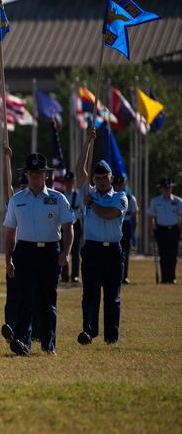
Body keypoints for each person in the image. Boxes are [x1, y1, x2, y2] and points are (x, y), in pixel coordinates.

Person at [2, 153, 74, 356]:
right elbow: (10, 232)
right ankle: (22, 342)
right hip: (24, 253)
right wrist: (8, 260)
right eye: (31, 172)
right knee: (26, 300)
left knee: (48, 300)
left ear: (46, 175)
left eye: (38, 172)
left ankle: (48, 344)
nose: (34, 176)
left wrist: (67, 252)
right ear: (26, 174)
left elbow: (69, 227)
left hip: (50, 253)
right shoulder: (17, 200)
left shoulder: (57, 198)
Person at [74, 129, 128, 346]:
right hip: (93, 251)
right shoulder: (88, 192)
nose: (101, 182)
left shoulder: (120, 197)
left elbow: (108, 215)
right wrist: (87, 142)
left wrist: (90, 204)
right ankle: (89, 331)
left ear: (111, 178)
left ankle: (111, 337)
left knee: (112, 298)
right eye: (97, 179)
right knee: (90, 294)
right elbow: (79, 169)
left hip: (113, 251)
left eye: (105, 178)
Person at [147, 177, 182, 284]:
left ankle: (172, 277)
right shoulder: (155, 201)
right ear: (161, 189)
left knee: (173, 255)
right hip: (161, 230)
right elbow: (150, 216)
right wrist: (152, 229)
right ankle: (164, 278)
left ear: (171, 188)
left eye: (168, 187)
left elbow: (181, 216)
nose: (166, 189)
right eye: (164, 188)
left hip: (174, 229)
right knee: (163, 255)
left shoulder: (178, 201)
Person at [113, 174, 138, 284]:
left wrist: (134, 229)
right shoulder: (112, 197)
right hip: (115, 223)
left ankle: (124, 276)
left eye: (121, 185)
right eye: (117, 185)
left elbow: (134, 214)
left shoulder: (130, 198)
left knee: (125, 252)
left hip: (126, 224)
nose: (119, 187)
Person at [62, 174, 82, 283]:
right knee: (64, 249)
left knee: (75, 251)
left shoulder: (77, 196)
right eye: (67, 182)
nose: (69, 184)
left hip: (76, 222)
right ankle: (64, 274)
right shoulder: (62, 195)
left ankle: (75, 275)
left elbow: (82, 212)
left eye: (71, 182)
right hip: (64, 223)